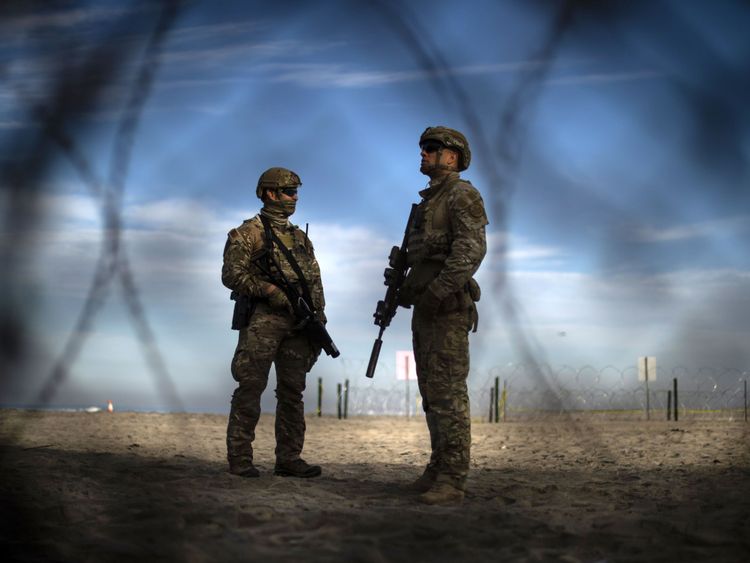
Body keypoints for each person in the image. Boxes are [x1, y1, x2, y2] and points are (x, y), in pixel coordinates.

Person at [398, 126, 488, 505]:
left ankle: (453, 477)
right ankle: (438, 467)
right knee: (431, 394)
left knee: (449, 394)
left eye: (431, 148)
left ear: (452, 157)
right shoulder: (428, 203)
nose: (423, 154)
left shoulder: (461, 195)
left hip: (446, 309)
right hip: (427, 309)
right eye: (422, 148)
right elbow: (424, 256)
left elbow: (470, 252)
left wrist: (436, 292)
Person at [221, 167, 326, 478]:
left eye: (296, 192)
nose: (294, 198)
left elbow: (314, 283)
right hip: (262, 321)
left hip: (298, 324)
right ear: (269, 193)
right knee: (251, 386)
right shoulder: (247, 233)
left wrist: (318, 320)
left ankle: (289, 458)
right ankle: (240, 459)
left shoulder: (300, 238)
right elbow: (232, 275)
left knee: (293, 391)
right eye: (288, 192)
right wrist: (268, 290)